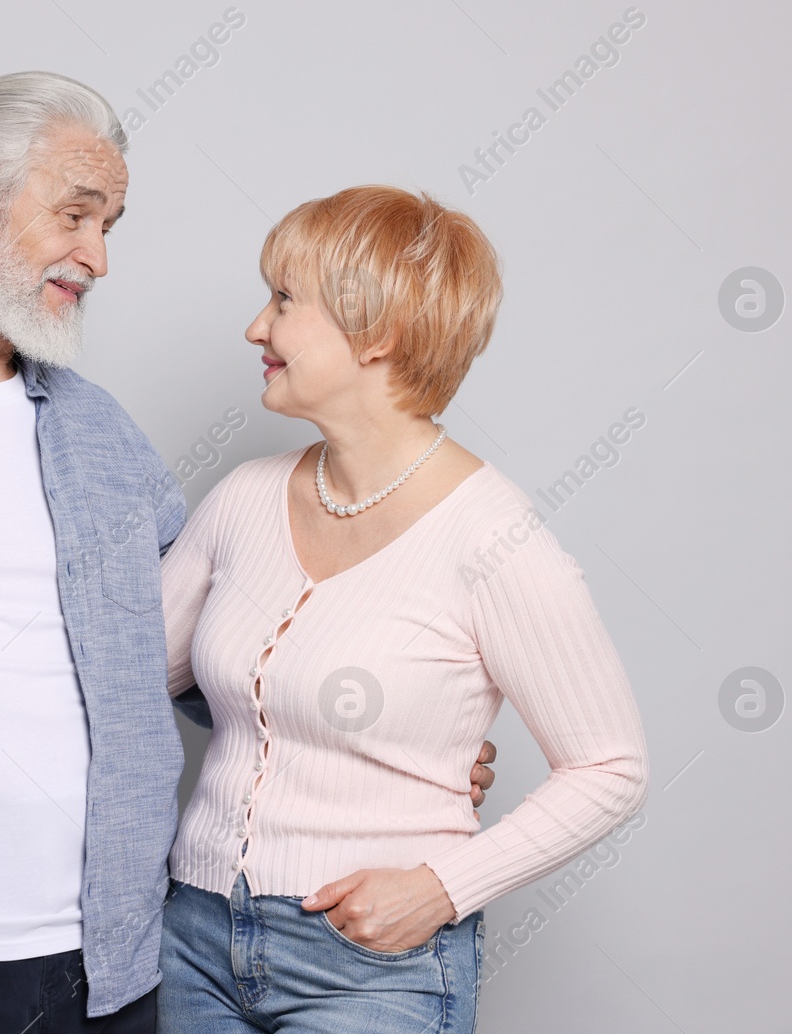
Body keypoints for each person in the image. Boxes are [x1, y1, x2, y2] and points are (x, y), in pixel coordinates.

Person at [0, 71, 501, 1033]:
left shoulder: (107, 440)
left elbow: (213, 662)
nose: (97, 256)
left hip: (109, 975)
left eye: (110, 225)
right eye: (76, 215)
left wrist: (391, 736)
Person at [156, 185, 650, 1033]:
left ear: (376, 333)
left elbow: (612, 766)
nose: (255, 327)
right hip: (192, 939)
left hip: (371, 966)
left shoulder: (493, 538)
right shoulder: (242, 497)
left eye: (282, 300)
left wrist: (441, 889)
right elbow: (115, 678)